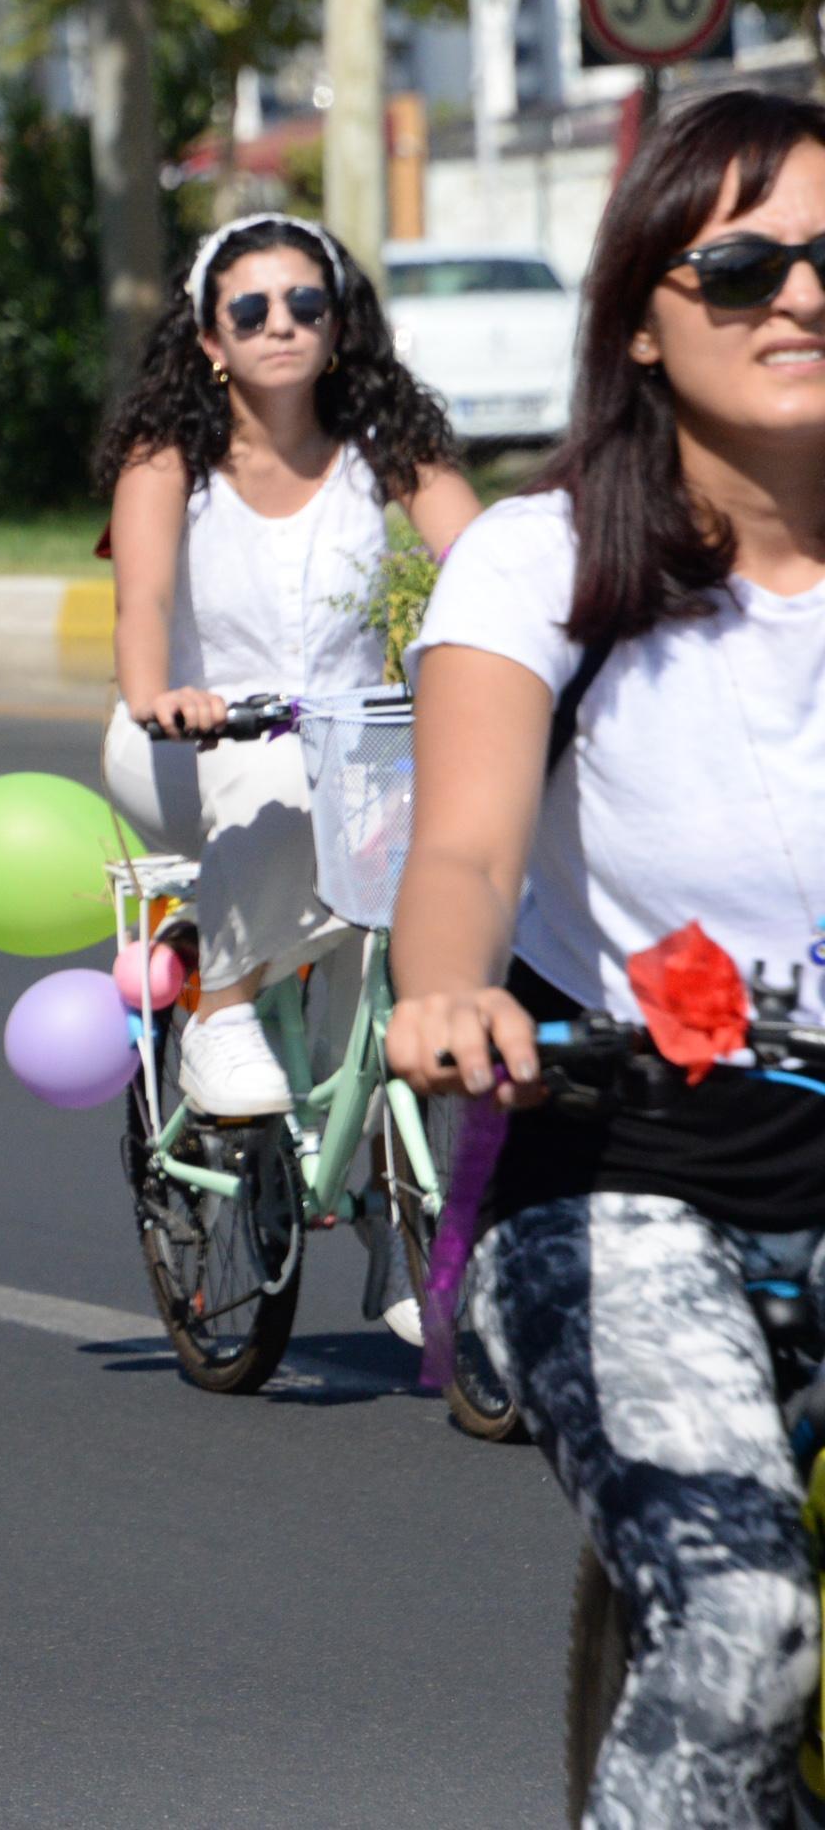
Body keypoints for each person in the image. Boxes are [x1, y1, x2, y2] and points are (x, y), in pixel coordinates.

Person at [389, 90, 825, 1829]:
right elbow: (464, 849)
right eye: (742, 265)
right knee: (739, 1625)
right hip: (620, 1168)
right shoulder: (544, 561)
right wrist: (448, 987)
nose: (801, 296)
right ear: (642, 315)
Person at [96, 214, 475, 1118]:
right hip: (188, 745)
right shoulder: (166, 461)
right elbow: (141, 603)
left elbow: (483, 561)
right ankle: (220, 1012)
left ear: (338, 327)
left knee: (429, 864)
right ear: (210, 339)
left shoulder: (386, 446)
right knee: (283, 781)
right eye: (251, 309)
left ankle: (371, 1135)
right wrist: (159, 697)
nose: (281, 324)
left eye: (306, 305)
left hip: (351, 749)